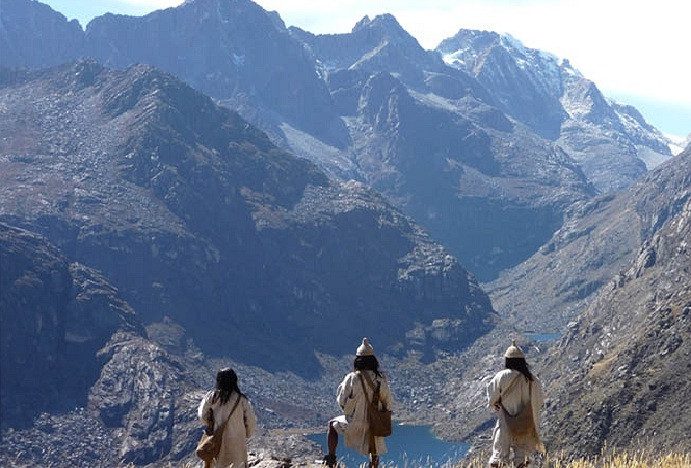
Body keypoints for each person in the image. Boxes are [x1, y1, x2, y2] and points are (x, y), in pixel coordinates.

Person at [323, 338, 393, 468]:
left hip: (354, 422)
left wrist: (350, 410)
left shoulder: (352, 378)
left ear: (357, 360)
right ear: (373, 361)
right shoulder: (380, 379)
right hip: (374, 423)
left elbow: (341, 399)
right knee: (374, 447)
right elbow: (388, 403)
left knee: (332, 425)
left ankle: (331, 459)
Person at [486, 341, 545, 468]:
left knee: (498, 459)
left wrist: (495, 404)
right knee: (522, 461)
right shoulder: (533, 379)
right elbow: (539, 402)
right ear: (523, 361)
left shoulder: (501, 376)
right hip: (526, 425)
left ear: (507, 360)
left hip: (505, 424)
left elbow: (492, 397)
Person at [197, 368, 258, 468]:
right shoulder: (241, 399)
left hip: (217, 439)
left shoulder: (212, 397)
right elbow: (250, 420)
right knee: (238, 464)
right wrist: (247, 433)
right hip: (237, 440)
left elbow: (202, 415)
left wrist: (210, 424)